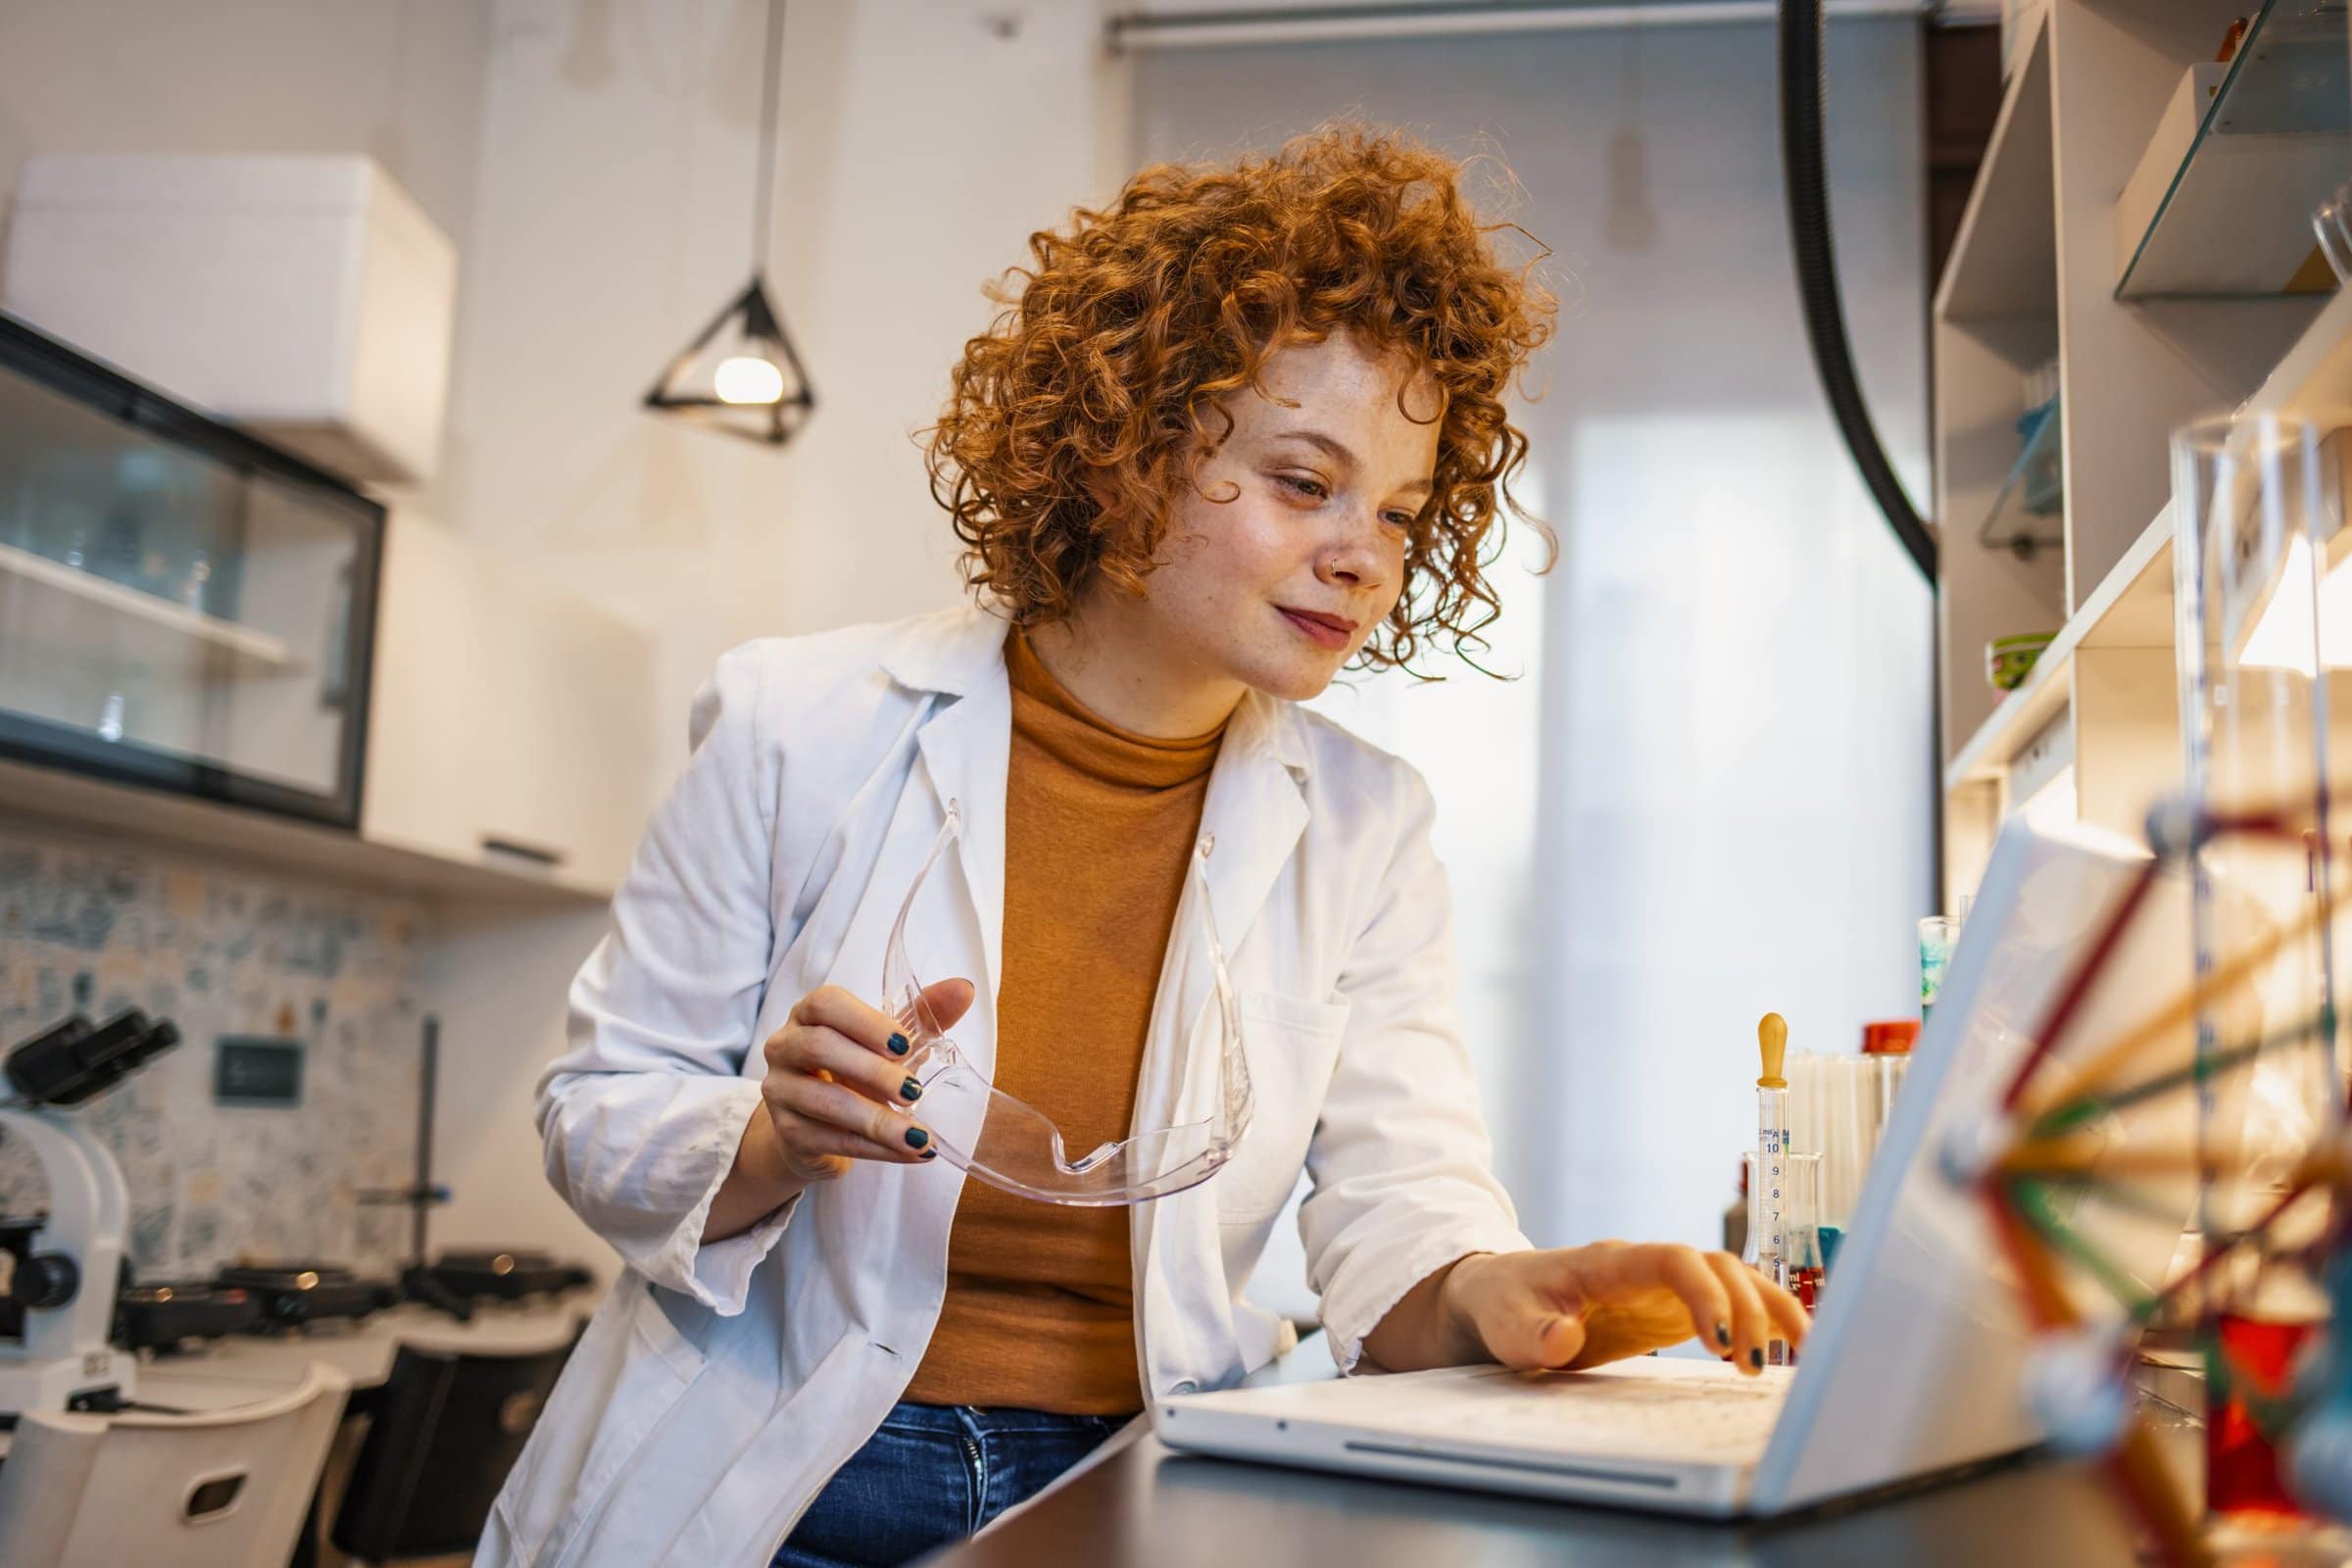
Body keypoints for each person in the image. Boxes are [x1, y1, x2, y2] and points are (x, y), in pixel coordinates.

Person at [477, 123, 1806, 1568]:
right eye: (1306, 483)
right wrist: (770, 1134)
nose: (1365, 554)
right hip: (774, 1478)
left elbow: (1399, 1223)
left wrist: (1509, 1289)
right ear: (1119, 452)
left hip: (1137, 1489)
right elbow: (600, 1112)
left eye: (1403, 514)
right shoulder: (799, 723)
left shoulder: (1367, 825)